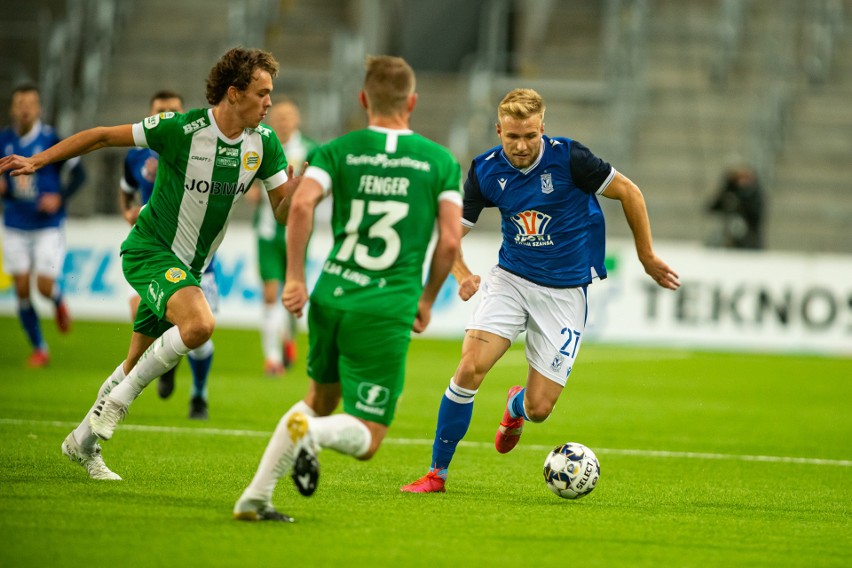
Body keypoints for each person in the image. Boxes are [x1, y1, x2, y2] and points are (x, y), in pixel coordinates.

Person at [0, 47, 299, 481]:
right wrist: (39, 161)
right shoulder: (182, 128)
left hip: (188, 268)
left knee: (133, 363)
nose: (269, 102)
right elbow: (102, 135)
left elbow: (281, 213)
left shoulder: (264, 144)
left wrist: (300, 193)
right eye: (262, 93)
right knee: (199, 325)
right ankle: (119, 404)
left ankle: (82, 444)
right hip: (149, 250)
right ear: (234, 94)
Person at [400, 88, 680, 494]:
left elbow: (630, 193)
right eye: (513, 136)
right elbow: (449, 236)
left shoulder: (571, 159)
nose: (522, 145)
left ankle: (516, 406)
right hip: (510, 280)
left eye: (530, 136)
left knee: (540, 408)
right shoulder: (484, 171)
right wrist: (462, 275)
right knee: (469, 369)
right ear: (499, 130)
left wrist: (647, 256)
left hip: (565, 292)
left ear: (542, 129)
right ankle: (436, 474)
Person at [233, 55, 463, 522]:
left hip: (330, 293)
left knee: (319, 400)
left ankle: (255, 497)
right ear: (412, 102)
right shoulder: (440, 161)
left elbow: (300, 206)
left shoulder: (336, 150)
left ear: (363, 100)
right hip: (383, 306)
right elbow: (451, 240)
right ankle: (310, 437)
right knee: (369, 437)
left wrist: (295, 276)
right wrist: (426, 298)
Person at [119, 90, 218, 419]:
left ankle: (199, 394)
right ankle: (108, 406)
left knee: (201, 334)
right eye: (160, 111)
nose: (167, 116)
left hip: (198, 260)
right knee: (147, 319)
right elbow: (126, 188)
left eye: (174, 110)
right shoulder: (137, 155)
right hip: (157, 249)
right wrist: (129, 212)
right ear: (150, 114)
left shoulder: (199, 147)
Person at [0, 84, 85, 367]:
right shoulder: (4, 141)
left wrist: (59, 197)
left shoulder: (51, 139)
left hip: (47, 225)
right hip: (14, 223)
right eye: (20, 103)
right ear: (13, 108)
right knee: (22, 289)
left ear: (38, 108)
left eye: (31, 103)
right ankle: (40, 347)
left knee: (44, 287)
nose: (25, 108)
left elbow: (79, 174)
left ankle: (58, 300)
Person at [246, 97, 319, 376]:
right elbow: (249, 179)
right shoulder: (262, 145)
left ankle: (288, 337)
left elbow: (323, 185)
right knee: (269, 293)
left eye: (288, 118)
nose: (283, 123)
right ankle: (272, 358)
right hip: (266, 231)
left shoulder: (311, 149)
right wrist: (251, 190)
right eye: (279, 118)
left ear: (296, 121)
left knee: (293, 293)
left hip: (297, 233)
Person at [707, 165, 765, 249]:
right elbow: (712, 207)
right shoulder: (730, 192)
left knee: (737, 225)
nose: (742, 182)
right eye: (738, 179)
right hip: (728, 231)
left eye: (745, 178)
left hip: (749, 236)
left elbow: (754, 214)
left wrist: (742, 198)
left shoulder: (754, 195)